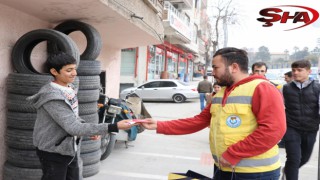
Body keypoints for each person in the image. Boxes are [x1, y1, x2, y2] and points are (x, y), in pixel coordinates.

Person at [141, 47, 286, 179]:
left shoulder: (262, 88)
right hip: (224, 168)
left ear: (234, 67)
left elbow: (273, 130)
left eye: (216, 67)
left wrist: (233, 154)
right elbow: (198, 121)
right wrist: (159, 125)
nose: (212, 72)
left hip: (255, 173)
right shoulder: (221, 93)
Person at [27, 52, 133, 180]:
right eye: (69, 70)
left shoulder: (69, 88)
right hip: (53, 151)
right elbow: (73, 127)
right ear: (54, 71)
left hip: (69, 147)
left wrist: (94, 129)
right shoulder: (52, 97)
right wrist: (112, 126)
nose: (74, 73)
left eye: (74, 69)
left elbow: (74, 117)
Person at [282, 60, 320, 180]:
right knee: (294, 159)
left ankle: (287, 170)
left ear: (309, 71)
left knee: (304, 158)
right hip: (291, 128)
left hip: (311, 128)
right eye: (293, 70)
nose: (295, 73)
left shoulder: (317, 88)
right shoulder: (285, 88)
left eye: (299, 70)